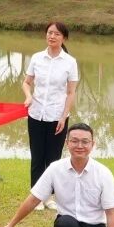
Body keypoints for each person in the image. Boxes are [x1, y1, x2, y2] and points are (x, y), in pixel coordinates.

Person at [0, 123, 114, 227]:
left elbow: (111, 213)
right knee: (65, 224)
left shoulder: (103, 173)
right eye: (74, 141)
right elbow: (34, 199)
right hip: (67, 224)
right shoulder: (55, 168)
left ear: (92, 144)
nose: (80, 146)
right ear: (67, 143)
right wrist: (11, 225)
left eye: (85, 141)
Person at [23, 21, 79, 210]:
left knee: (54, 158)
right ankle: (36, 197)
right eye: (49, 33)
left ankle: (49, 197)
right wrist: (29, 96)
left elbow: (71, 92)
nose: (52, 36)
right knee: (37, 156)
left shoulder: (70, 62)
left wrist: (64, 116)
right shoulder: (37, 58)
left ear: (64, 38)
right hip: (36, 114)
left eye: (56, 34)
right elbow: (27, 82)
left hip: (57, 116)